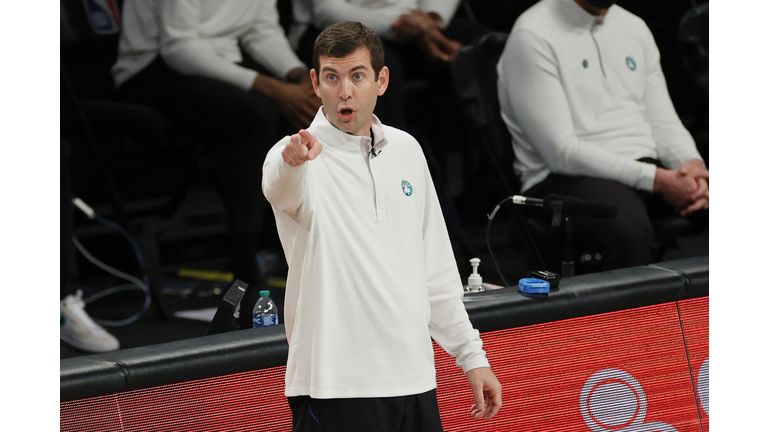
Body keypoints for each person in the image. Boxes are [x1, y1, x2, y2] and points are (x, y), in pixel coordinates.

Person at [262, 22, 502, 430]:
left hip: (415, 379)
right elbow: (278, 187)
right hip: (335, 387)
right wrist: (293, 160)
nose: (345, 92)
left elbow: (436, 271)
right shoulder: (294, 156)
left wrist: (471, 356)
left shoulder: (408, 150)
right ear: (315, 84)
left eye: (357, 76)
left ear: (382, 80)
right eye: (333, 78)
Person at [111, 0, 322, 320]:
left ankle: (299, 248)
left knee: (308, 109)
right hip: (152, 69)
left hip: (223, 61)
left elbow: (260, 29)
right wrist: (274, 88)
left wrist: (296, 78)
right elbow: (179, 47)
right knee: (256, 114)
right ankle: (246, 263)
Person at [497, 0, 709, 271]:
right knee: (630, 232)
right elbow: (561, 152)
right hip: (564, 178)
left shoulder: (634, 27)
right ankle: (634, 315)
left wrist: (692, 166)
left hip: (644, 169)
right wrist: (657, 180)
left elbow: (663, 122)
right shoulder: (532, 35)